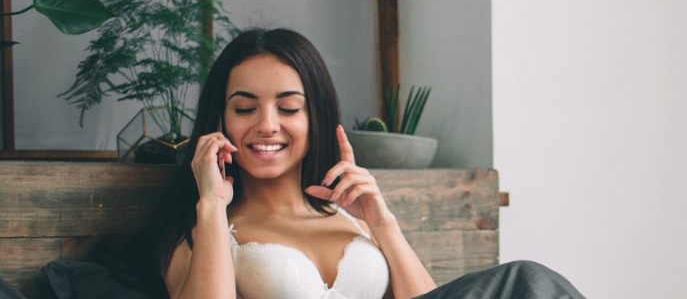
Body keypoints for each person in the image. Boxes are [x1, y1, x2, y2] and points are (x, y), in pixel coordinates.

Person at [138, 29, 583, 299]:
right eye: (245, 108)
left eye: (289, 108)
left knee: (531, 285)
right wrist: (212, 204)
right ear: (220, 121)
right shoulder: (200, 231)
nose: (267, 125)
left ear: (316, 119)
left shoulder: (354, 221)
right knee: (527, 280)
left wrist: (382, 222)